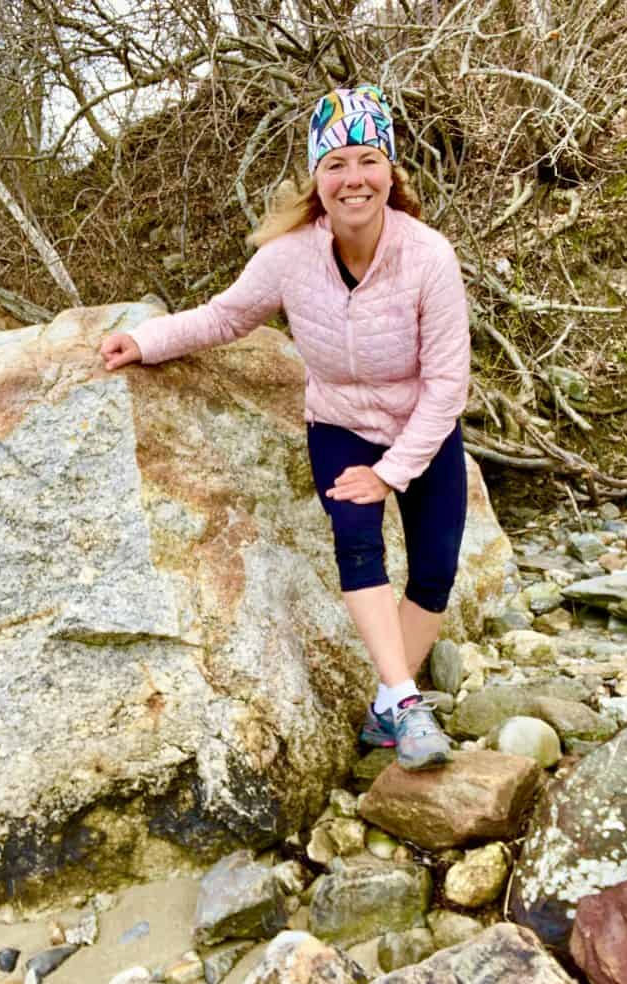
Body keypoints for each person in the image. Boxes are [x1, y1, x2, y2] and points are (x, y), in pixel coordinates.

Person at [100, 85, 470, 770]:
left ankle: (389, 702)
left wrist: (393, 471)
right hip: (339, 423)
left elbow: (449, 386)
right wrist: (146, 342)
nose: (353, 178)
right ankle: (408, 707)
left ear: (390, 170)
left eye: (367, 160)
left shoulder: (429, 257)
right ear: (317, 179)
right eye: (336, 165)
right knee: (357, 542)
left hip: (422, 426)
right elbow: (224, 317)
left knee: (436, 573)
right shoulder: (292, 255)